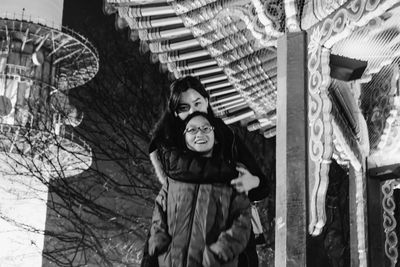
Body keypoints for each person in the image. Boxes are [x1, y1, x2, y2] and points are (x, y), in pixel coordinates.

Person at [142, 76, 269, 267]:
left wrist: (253, 182)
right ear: (175, 113)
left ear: (207, 102)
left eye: (197, 103)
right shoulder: (168, 143)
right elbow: (160, 218)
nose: (192, 111)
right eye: (184, 108)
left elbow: (261, 187)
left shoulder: (227, 137)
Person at [148, 112, 252, 267]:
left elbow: (242, 222)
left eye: (206, 128)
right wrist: (159, 246)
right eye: (192, 130)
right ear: (184, 138)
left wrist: (217, 254)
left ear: (215, 137)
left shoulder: (233, 176)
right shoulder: (173, 179)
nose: (200, 133)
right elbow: (159, 216)